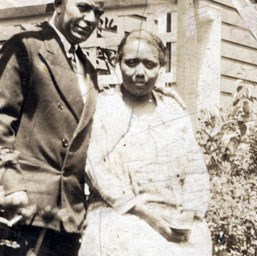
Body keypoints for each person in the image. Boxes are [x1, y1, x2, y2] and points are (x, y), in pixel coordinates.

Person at [79, 30, 212, 256]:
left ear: (161, 66)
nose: (140, 72)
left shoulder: (173, 109)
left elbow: (195, 168)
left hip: (172, 217)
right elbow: (96, 168)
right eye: (131, 63)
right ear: (117, 63)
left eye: (149, 64)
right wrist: (150, 218)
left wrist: (188, 215)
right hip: (121, 214)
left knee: (197, 239)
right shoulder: (103, 107)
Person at [0, 0, 105, 255]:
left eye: (98, 12)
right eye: (83, 7)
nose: (91, 19)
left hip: (68, 216)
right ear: (59, 5)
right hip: (25, 207)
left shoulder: (89, 69)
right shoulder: (26, 46)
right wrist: (10, 184)